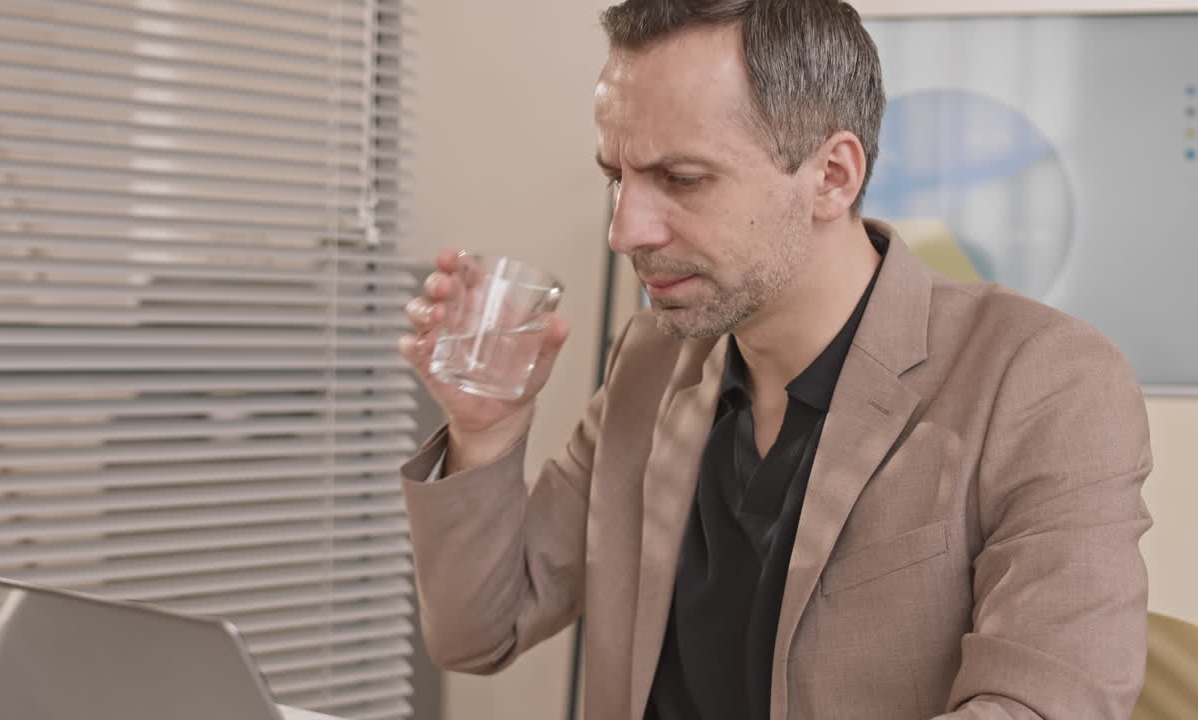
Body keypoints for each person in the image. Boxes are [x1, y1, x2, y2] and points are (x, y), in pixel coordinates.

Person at [396, 1, 1153, 718]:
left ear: (832, 177)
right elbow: (477, 633)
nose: (625, 230)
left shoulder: (1042, 380)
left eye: (681, 179)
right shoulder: (650, 361)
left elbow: (1047, 706)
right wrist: (487, 434)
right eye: (615, 178)